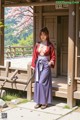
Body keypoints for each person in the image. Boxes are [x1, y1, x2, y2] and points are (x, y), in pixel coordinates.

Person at [31, 27, 56, 109]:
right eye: (41, 34)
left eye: (44, 35)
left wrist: (51, 62)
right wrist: (33, 66)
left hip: (45, 65)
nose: (42, 36)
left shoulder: (50, 45)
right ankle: (38, 102)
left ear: (47, 35)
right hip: (38, 65)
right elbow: (34, 56)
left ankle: (44, 102)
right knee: (38, 82)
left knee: (42, 82)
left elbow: (53, 56)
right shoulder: (37, 44)